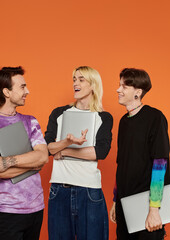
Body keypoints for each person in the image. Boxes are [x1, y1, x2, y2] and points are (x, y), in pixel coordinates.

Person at [0, 66, 48, 240]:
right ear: (6, 92)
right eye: (22, 87)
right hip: (8, 210)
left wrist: (6, 161)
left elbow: (43, 156)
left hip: (36, 207)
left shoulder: (31, 121)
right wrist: (33, 165)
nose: (27, 91)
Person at [44, 66, 113, 240]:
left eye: (81, 80)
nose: (76, 83)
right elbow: (48, 148)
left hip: (89, 191)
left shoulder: (103, 117)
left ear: (93, 86)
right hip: (59, 190)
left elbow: (100, 152)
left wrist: (64, 150)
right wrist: (62, 147)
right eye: (74, 79)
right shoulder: (59, 113)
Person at [109, 68, 170, 240]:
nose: (118, 90)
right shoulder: (123, 121)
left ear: (138, 92)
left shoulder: (155, 118)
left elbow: (160, 163)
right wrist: (115, 200)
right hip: (123, 205)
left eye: (124, 86)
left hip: (146, 207)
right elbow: (121, 164)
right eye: (119, 85)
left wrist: (154, 209)